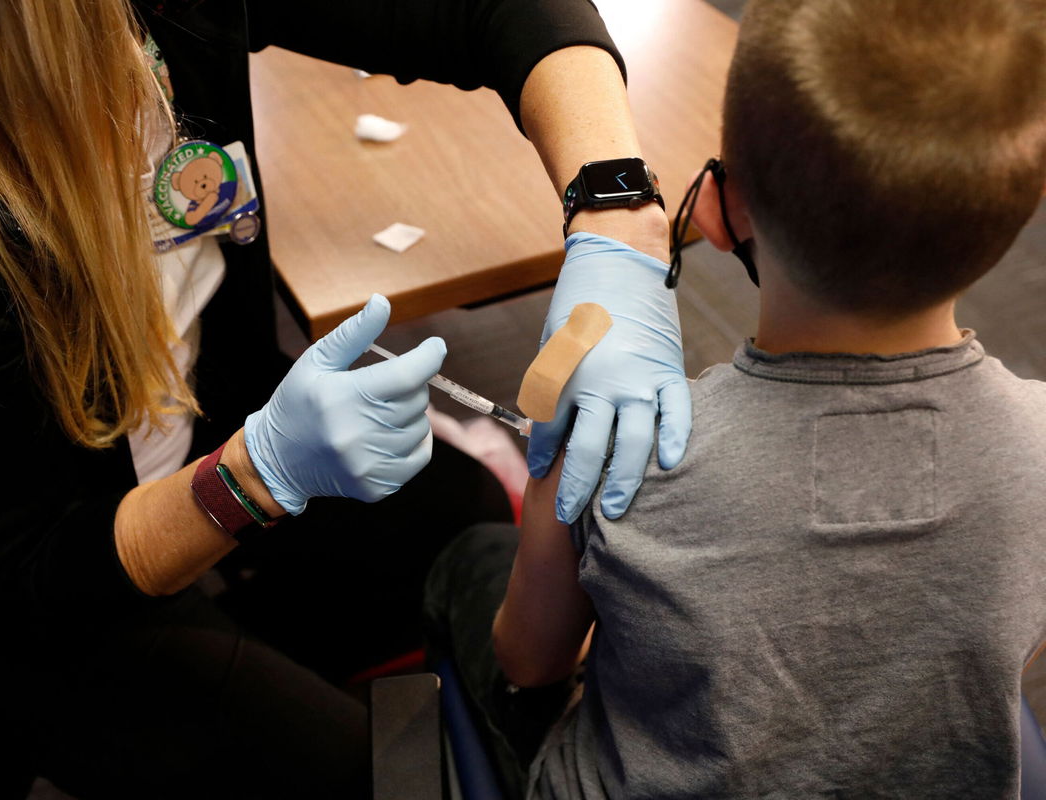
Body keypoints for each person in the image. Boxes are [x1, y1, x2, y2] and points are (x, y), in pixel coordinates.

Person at [0, 0, 692, 797]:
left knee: (461, 514)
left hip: (190, 418)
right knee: (369, 774)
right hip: (35, 602)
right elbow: (35, 574)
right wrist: (253, 476)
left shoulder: (161, 20)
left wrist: (617, 209)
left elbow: (493, 10)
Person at [425, 0, 1046, 796]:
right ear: (1018, 216)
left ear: (720, 207)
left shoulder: (617, 445)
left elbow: (530, 659)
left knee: (466, 560)